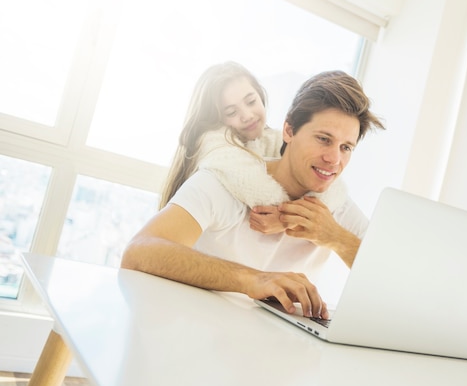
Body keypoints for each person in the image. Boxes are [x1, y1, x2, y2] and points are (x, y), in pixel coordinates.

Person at [121, 69, 385, 320]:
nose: (334, 159)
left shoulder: (335, 207)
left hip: (272, 353)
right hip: (195, 339)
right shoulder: (225, 180)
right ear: (289, 130)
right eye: (323, 139)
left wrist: (335, 237)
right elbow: (138, 252)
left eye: (346, 147)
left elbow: (388, 283)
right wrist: (253, 279)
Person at [160, 61, 347, 234]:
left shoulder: (272, 140)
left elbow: (333, 188)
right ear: (215, 120)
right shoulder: (216, 151)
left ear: (260, 95)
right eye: (231, 112)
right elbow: (259, 191)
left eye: (251, 102)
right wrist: (287, 218)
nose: (247, 115)